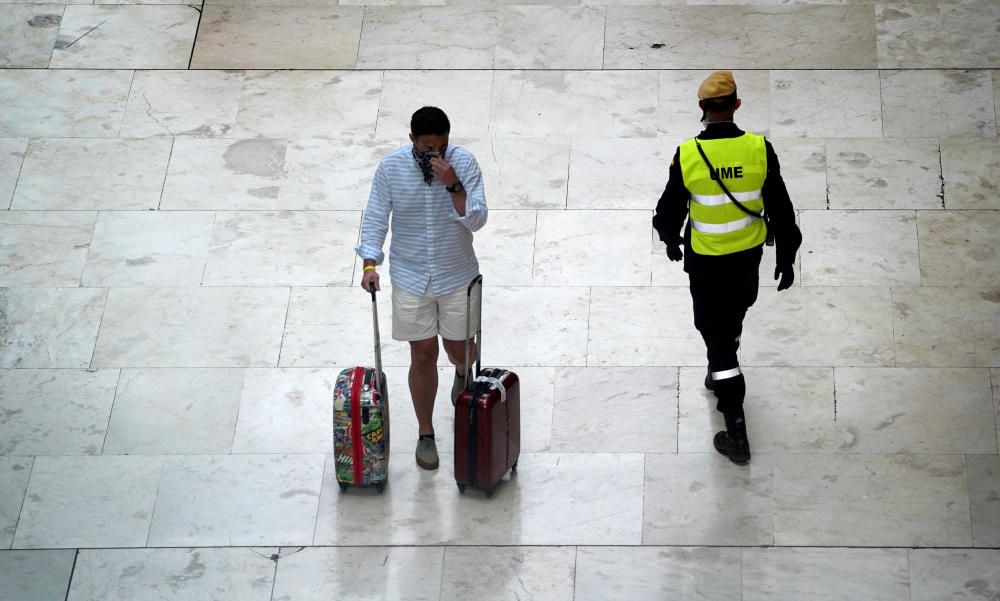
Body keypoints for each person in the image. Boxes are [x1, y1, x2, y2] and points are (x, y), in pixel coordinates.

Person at [653, 71, 802, 465]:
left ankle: (735, 429)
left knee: (716, 342)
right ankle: (722, 356)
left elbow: (667, 211)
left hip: (706, 264)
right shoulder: (759, 149)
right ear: (737, 105)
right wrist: (786, 253)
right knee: (730, 322)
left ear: (702, 109)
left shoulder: (687, 155)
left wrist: (670, 239)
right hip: (746, 261)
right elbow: (781, 208)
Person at [356, 106, 488, 471]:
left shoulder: (464, 163)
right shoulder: (391, 168)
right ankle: (426, 433)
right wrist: (370, 264)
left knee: (460, 349)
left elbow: (477, 219)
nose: (434, 155)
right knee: (423, 354)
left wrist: (453, 184)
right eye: (427, 148)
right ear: (412, 139)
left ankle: (463, 370)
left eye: (441, 147)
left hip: (456, 273)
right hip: (411, 274)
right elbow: (376, 216)